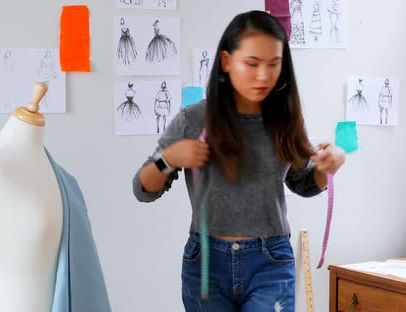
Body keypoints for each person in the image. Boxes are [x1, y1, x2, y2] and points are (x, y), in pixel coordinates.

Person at [133, 10, 345, 311]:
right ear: (226, 61)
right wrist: (169, 158)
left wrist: (328, 169)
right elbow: (142, 189)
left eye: (274, 65)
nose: (263, 76)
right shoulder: (192, 120)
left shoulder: (285, 120)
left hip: (270, 261)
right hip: (206, 263)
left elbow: (304, 183)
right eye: (252, 64)